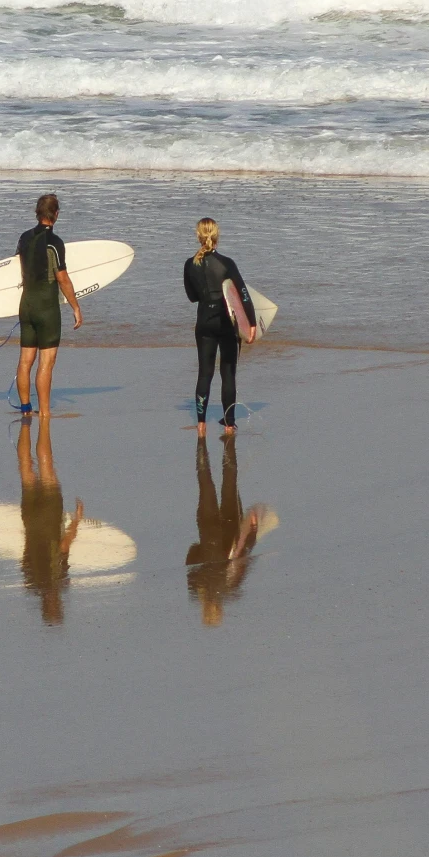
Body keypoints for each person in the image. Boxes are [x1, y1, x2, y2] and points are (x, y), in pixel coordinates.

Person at [182, 216, 256, 437]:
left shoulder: (189, 264)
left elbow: (192, 297)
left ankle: (201, 425)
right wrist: (251, 324)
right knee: (228, 373)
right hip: (226, 322)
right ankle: (229, 424)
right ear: (216, 235)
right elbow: (243, 295)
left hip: (204, 321)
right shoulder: (226, 263)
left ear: (198, 236)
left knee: (204, 374)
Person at [13, 193, 83, 417]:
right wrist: (75, 306)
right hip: (46, 308)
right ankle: (44, 413)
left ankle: (25, 409)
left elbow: (17, 267)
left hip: (26, 305)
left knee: (25, 360)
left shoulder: (23, 238)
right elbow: (62, 277)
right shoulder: (55, 243)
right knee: (46, 362)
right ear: (56, 214)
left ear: (37, 213)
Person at [185, 434, 266, 626]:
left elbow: (243, 554)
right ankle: (204, 440)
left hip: (229, 529)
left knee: (229, 483)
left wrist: (253, 528)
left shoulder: (231, 589)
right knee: (205, 483)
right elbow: (192, 554)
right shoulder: (196, 588)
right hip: (208, 528)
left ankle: (222, 441)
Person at [17, 412, 82, 625]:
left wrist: (76, 522)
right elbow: (61, 548)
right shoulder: (33, 582)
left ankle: (32, 424)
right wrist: (74, 523)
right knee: (26, 470)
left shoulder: (44, 582)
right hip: (31, 521)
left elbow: (63, 547)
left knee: (46, 470)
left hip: (47, 519)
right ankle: (29, 427)